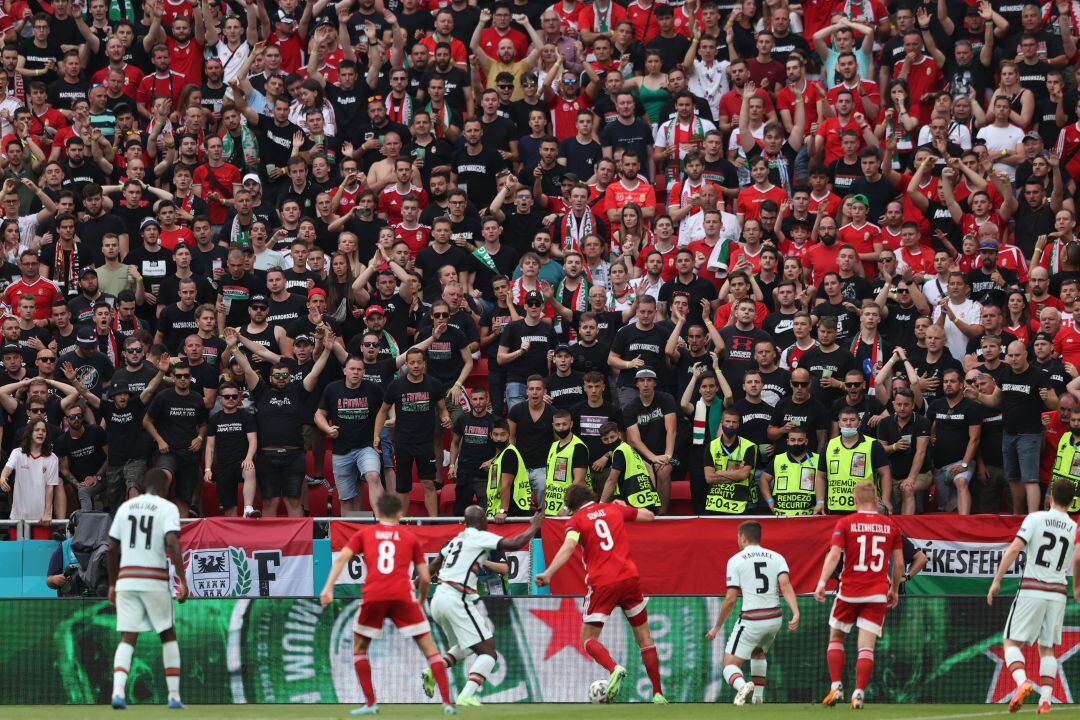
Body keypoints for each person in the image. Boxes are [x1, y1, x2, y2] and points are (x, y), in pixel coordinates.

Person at [319, 493, 457, 715]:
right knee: (430, 651)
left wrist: (328, 588)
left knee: (360, 649)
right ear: (400, 514)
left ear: (377, 512)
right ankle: (448, 703)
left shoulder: (365, 533)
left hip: (374, 595)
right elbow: (424, 577)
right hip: (402, 595)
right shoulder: (409, 537)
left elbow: (342, 558)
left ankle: (371, 703)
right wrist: (420, 601)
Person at [535, 483, 666, 705]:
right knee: (645, 639)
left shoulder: (576, 521)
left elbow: (568, 547)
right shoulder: (613, 509)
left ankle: (614, 668)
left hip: (603, 583)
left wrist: (549, 573)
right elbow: (649, 516)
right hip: (630, 579)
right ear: (591, 496)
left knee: (588, 640)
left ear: (571, 506)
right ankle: (658, 694)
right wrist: (626, 504)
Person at [423, 508, 543, 706]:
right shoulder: (480, 537)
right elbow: (515, 543)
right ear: (481, 521)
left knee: (467, 646)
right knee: (488, 654)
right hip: (457, 598)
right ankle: (466, 695)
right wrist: (534, 527)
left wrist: (414, 583)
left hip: (438, 599)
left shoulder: (455, 540)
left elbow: (434, 565)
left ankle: (433, 670)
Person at [987, 479, 1080, 715]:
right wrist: (1076, 586)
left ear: (1049, 496)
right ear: (1071, 502)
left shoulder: (1035, 518)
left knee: (1010, 643)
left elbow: (1014, 549)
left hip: (1032, 588)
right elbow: (1077, 559)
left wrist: (997, 580)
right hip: (1058, 592)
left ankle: (1022, 683)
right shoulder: (1073, 527)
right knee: (1047, 649)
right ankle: (1046, 701)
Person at [814, 482, 905, 710]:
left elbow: (834, 555)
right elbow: (900, 563)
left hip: (849, 592)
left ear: (854, 499)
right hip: (876, 593)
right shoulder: (890, 526)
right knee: (866, 647)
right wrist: (894, 589)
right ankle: (859, 692)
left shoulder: (846, 523)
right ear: (876, 499)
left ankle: (836, 686)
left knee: (836, 638)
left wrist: (822, 582)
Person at [106, 468, 188, 710]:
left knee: (127, 637)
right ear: (164, 488)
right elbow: (172, 543)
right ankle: (173, 696)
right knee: (167, 634)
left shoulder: (126, 507)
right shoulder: (167, 508)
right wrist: (182, 579)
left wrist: (112, 583)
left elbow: (111, 547)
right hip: (153, 578)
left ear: (143, 484)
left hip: (127, 579)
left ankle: (118, 692)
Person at [707, 520, 800, 705]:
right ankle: (758, 697)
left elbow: (731, 598)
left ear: (742, 537)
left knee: (729, 666)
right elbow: (785, 584)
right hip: (774, 619)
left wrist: (717, 626)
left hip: (752, 620)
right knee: (758, 652)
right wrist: (795, 612)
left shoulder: (736, 560)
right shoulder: (777, 557)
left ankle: (742, 686)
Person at [815, 407, 892, 515]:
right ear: (839, 423)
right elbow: (821, 476)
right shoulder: (829, 446)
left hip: (865, 508)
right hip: (835, 509)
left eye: (852, 420)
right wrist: (820, 502)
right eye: (845, 420)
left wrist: (886, 500)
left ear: (859, 422)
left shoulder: (873, 445)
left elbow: (885, 473)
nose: (848, 423)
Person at [542, 409, 590, 515]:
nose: (561, 428)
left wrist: (567, 507)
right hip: (550, 507)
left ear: (571, 424)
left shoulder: (578, 447)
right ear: (553, 425)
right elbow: (549, 479)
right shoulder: (554, 445)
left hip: (569, 509)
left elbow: (579, 480)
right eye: (557, 425)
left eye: (564, 424)